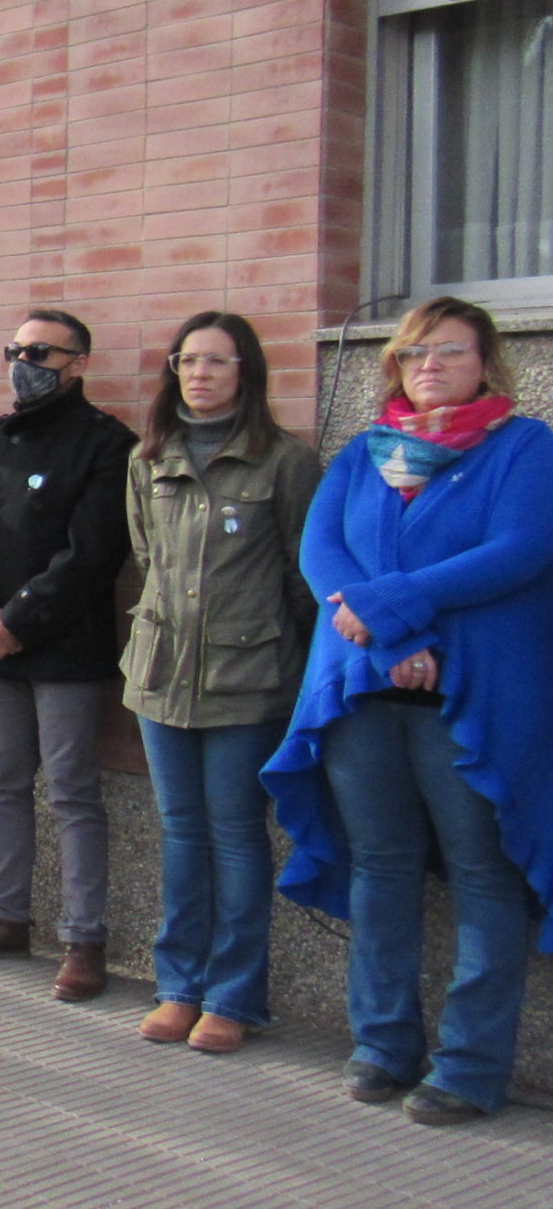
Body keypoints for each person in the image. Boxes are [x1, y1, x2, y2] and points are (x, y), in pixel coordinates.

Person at [262, 298, 553, 1126]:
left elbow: (519, 550)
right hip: (363, 693)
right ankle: (383, 1043)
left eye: (449, 352)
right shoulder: (364, 453)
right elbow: (322, 553)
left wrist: (393, 610)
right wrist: (389, 643)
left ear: (487, 362)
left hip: (472, 699)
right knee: (381, 864)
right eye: (415, 353)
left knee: (483, 873)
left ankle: (469, 1066)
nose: (430, 366)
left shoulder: (526, 447)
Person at [118, 311, 319, 1053]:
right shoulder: (149, 458)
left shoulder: (284, 461)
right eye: (187, 360)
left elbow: (305, 579)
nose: (199, 374)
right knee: (180, 831)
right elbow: (147, 557)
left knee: (236, 835)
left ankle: (233, 997)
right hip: (162, 673)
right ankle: (178, 986)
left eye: (217, 362)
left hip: (247, 677)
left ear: (247, 372)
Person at [0, 309, 137, 1002]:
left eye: (40, 350)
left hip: (65, 648)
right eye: (14, 348)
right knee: (3, 781)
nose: (24, 360)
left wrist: (20, 617)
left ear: (78, 361)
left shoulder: (108, 444)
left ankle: (84, 940)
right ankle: (5, 916)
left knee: (74, 790)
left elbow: (94, 552)